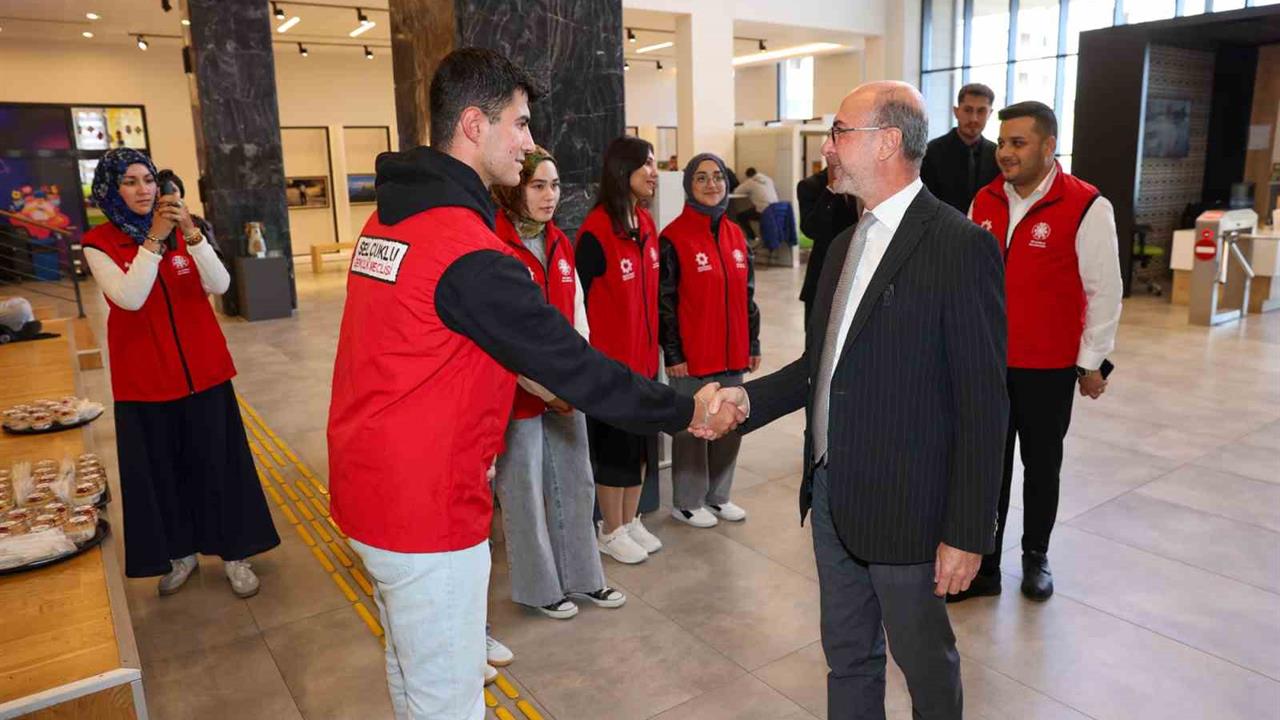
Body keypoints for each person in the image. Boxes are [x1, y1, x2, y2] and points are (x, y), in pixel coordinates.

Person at [326, 48, 728, 720]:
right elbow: (569, 361)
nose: (530, 142)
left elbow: (469, 348)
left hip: (372, 487)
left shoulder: (393, 219)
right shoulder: (464, 249)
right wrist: (685, 406)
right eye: (519, 123)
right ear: (475, 125)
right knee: (448, 701)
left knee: (410, 670)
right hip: (424, 505)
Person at [707, 81, 1008, 719]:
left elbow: (984, 404)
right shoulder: (843, 244)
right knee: (848, 656)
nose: (828, 148)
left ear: (888, 141)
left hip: (909, 511)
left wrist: (967, 531)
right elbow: (821, 366)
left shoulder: (959, 246)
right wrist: (746, 402)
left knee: (925, 665)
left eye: (841, 132)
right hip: (830, 497)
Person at [81, 149, 279, 597]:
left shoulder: (184, 235)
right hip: (146, 383)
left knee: (219, 468)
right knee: (164, 474)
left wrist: (191, 234)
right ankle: (180, 553)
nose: (143, 189)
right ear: (111, 189)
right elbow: (129, 298)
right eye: (130, 181)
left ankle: (235, 554)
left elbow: (221, 285)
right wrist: (152, 240)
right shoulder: (98, 243)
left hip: (204, 375)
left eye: (148, 179)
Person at [957, 101, 1123, 603]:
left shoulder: (1086, 205)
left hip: (1047, 368)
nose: (1004, 152)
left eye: (1017, 143)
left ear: (1049, 147)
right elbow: (965, 281)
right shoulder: (983, 200)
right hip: (988, 364)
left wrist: (1091, 362)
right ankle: (984, 564)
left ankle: (1035, 556)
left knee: (1041, 464)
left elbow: (1105, 290)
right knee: (988, 466)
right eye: (1003, 143)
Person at [489, 145, 626, 619]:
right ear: (513, 189)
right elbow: (504, 335)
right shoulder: (494, 246)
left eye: (555, 186)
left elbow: (578, 316)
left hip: (566, 389)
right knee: (523, 492)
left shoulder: (559, 243)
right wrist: (551, 390)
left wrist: (577, 378)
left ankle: (585, 578)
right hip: (519, 394)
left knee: (576, 482)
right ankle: (539, 588)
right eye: (537, 186)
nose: (550, 197)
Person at [575, 136, 665, 565]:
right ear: (621, 170)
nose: (654, 171)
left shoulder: (645, 225)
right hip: (611, 367)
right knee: (616, 452)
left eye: (653, 163)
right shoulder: (596, 231)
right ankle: (609, 529)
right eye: (645, 164)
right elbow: (579, 305)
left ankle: (630, 521)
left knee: (642, 447)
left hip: (646, 362)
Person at [659, 153, 761, 528]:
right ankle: (686, 501)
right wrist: (673, 352)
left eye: (717, 177)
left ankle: (718, 496)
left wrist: (753, 343)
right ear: (689, 184)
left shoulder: (736, 235)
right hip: (692, 354)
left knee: (731, 422)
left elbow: (748, 294)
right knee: (692, 428)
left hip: (733, 352)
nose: (711, 184)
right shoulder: (673, 236)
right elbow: (665, 300)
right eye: (701, 178)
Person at [796, 161, 860, 324]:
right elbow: (810, 229)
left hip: (855, 271)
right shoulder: (810, 186)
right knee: (816, 339)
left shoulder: (861, 180)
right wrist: (831, 190)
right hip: (822, 272)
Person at [920, 83, 999, 214]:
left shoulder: (997, 155)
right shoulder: (931, 152)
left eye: (981, 111)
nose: (974, 118)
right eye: (968, 110)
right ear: (956, 111)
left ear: (990, 113)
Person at [735, 167, 779, 241]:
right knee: (754, 209)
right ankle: (758, 238)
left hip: (764, 211)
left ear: (748, 176)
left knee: (741, 216)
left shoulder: (750, 182)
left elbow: (736, 191)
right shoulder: (768, 179)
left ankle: (753, 238)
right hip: (775, 209)